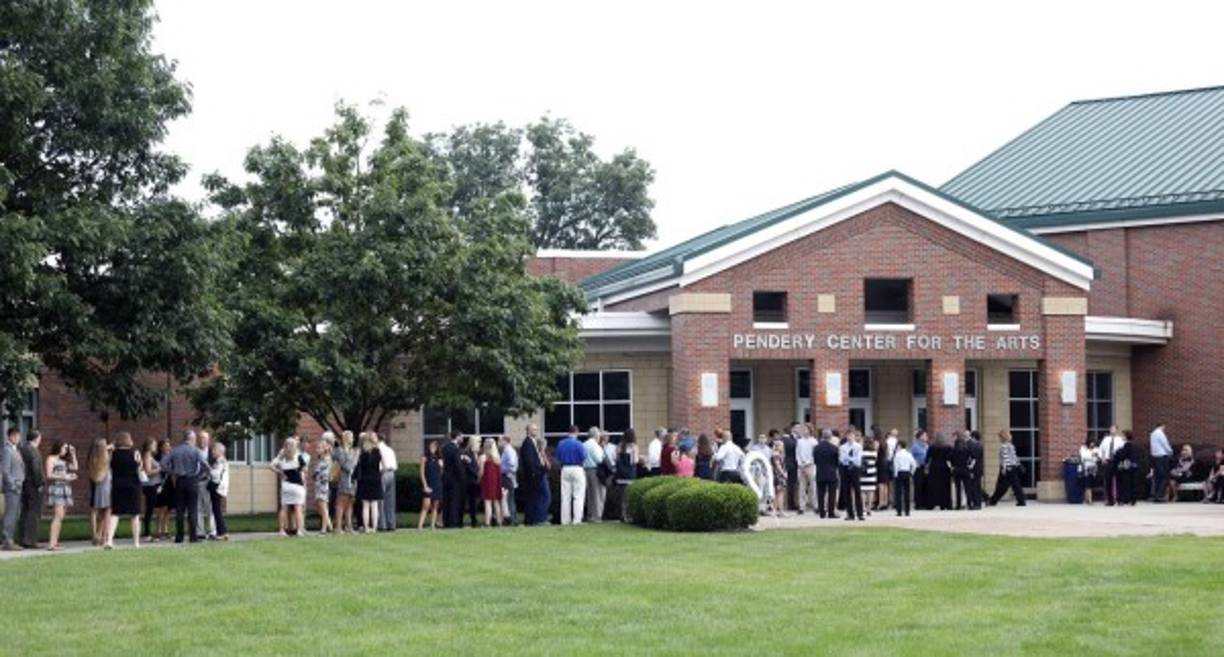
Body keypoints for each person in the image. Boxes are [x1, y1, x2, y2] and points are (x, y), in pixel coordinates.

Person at [160, 431, 207, 543]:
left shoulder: (175, 450)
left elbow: (162, 463)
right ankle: (193, 536)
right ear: (191, 439)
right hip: (192, 481)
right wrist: (200, 474)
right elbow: (204, 464)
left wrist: (172, 472)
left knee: (179, 510)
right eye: (195, 439)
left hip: (179, 481)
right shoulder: (196, 450)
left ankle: (179, 537)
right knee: (192, 509)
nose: (196, 441)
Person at [106, 432, 143, 549]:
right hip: (133, 485)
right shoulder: (135, 453)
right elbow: (140, 468)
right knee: (135, 515)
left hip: (118, 486)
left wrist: (109, 449)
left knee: (115, 513)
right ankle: (136, 542)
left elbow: (108, 467)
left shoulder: (113, 454)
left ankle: (109, 540)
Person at [43, 441, 78, 551]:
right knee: (58, 516)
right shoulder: (51, 459)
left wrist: (73, 454)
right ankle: (51, 544)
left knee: (61, 517)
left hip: (65, 489)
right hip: (57, 488)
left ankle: (55, 542)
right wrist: (65, 477)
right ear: (58, 447)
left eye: (66, 448)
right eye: (64, 448)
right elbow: (49, 475)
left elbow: (75, 467)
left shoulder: (63, 460)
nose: (65, 450)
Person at [273, 436, 310, 536]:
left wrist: (281, 472)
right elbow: (305, 468)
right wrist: (300, 470)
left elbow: (271, 466)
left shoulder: (281, 457)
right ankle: (299, 530)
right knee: (298, 508)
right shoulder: (298, 456)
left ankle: (281, 530)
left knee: (284, 508)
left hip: (286, 485)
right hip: (297, 485)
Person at [17, 430, 44, 549]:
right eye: (40, 437)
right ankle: (31, 540)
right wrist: (39, 484)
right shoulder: (34, 451)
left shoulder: (22, 449)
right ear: (37, 438)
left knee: (25, 511)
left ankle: (22, 538)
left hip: (24, 484)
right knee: (34, 512)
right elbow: (36, 468)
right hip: (33, 485)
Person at [519, 425, 549, 526]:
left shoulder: (533, 442)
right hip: (535, 476)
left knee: (535, 498)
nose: (536, 431)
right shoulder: (527, 443)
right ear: (528, 430)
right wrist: (535, 472)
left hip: (537, 474)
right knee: (543, 496)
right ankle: (539, 519)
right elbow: (529, 461)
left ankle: (533, 519)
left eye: (536, 429)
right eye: (533, 429)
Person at [1, 428, 26, 550]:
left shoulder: (16, 450)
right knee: (10, 514)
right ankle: (7, 541)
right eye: (14, 436)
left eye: (18, 436)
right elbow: (5, 471)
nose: (17, 438)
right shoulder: (7, 450)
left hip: (19, 486)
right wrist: (13, 485)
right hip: (13, 488)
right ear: (9, 437)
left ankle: (10, 539)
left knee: (15, 514)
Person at [556, 426, 587, 524]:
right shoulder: (579, 444)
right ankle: (577, 520)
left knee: (565, 496)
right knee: (578, 496)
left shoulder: (561, 444)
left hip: (565, 468)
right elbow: (584, 457)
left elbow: (558, 457)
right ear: (576, 433)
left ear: (568, 432)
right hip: (577, 468)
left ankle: (565, 520)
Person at [988, 430, 1027, 506]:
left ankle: (993, 500)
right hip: (1013, 467)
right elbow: (1015, 457)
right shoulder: (1011, 446)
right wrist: (1018, 465)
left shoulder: (1003, 447)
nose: (999, 439)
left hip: (1006, 468)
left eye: (999, 437)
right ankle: (1021, 500)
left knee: (1000, 486)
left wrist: (1004, 468)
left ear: (1002, 438)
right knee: (1016, 485)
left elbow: (1005, 458)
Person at [355, 432, 384, 533]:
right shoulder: (377, 452)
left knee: (366, 505)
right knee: (375, 505)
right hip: (376, 479)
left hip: (364, 479)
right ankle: (374, 527)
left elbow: (358, 466)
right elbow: (383, 466)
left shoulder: (362, 453)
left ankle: (366, 527)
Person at [87, 436, 112, 546]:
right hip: (105, 486)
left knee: (95, 511)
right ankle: (102, 536)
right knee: (105, 511)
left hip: (94, 485)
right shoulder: (105, 457)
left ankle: (96, 535)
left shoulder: (92, 457)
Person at [333, 431, 358, 534]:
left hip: (352, 479)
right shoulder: (340, 450)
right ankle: (338, 527)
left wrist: (353, 463)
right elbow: (343, 463)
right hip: (343, 479)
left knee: (350, 503)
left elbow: (355, 462)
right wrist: (352, 464)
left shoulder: (352, 451)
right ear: (346, 438)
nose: (352, 439)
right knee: (341, 503)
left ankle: (349, 526)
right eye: (351, 437)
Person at [582, 427, 608, 523]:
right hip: (595, 471)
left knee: (590, 494)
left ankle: (590, 515)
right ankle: (597, 516)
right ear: (596, 435)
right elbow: (599, 459)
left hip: (585, 470)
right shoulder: (595, 446)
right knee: (598, 493)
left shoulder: (584, 444)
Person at [612, 429, 638, 520]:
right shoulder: (634, 447)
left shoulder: (619, 446)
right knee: (629, 496)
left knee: (621, 497)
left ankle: (622, 515)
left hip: (620, 475)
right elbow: (635, 461)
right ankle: (629, 515)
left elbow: (615, 459)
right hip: (630, 474)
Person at [813, 429, 840, 519]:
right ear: (830, 437)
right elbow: (837, 462)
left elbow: (815, 460)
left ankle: (822, 512)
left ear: (822, 436)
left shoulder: (816, 448)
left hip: (820, 472)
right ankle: (831, 512)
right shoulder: (834, 448)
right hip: (832, 472)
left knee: (820, 493)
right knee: (832, 494)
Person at [838, 431, 865, 521]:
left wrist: (849, 458)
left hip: (855, 469)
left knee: (857, 490)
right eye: (848, 436)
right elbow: (842, 459)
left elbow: (858, 460)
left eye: (851, 436)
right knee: (847, 491)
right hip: (845, 469)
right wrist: (850, 459)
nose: (850, 437)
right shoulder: (842, 447)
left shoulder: (858, 446)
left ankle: (860, 513)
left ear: (854, 437)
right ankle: (850, 513)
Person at [140, 439, 163, 541]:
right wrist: (159, 469)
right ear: (149, 446)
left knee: (151, 509)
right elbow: (148, 472)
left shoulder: (150, 456)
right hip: (150, 486)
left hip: (153, 485)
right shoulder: (147, 456)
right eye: (154, 445)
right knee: (149, 510)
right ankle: (147, 534)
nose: (156, 446)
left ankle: (148, 533)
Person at [442, 430, 465, 528]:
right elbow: (457, 465)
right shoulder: (456, 449)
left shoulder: (445, 448)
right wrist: (462, 476)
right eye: (461, 437)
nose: (463, 439)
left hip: (446, 477)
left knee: (446, 500)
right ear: (458, 437)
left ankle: (446, 521)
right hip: (455, 479)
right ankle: (453, 522)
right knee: (454, 501)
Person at [419, 439, 443, 530]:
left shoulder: (439, 459)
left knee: (435, 506)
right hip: (428, 483)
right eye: (432, 446)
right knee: (426, 505)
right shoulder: (424, 458)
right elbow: (422, 473)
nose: (433, 448)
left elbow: (441, 473)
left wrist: (441, 466)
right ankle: (420, 526)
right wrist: (425, 485)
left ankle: (432, 525)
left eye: (435, 447)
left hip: (437, 483)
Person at [480, 437, 504, 527]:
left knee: (487, 502)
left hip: (487, 480)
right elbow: (499, 470)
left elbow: (481, 472)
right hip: (496, 480)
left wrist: (479, 479)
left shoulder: (483, 457)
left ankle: (487, 522)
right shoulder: (497, 457)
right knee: (496, 501)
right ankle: (499, 521)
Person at [195, 431, 215, 540]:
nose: (202, 440)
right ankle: (200, 532)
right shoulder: (194, 452)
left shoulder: (213, 452)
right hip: (197, 483)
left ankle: (212, 531)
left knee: (210, 508)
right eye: (200, 438)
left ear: (208, 440)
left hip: (208, 483)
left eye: (204, 438)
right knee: (198, 508)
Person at [926, 433, 953, 510]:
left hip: (934, 468)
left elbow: (928, 457)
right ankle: (944, 504)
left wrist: (926, 465)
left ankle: (932, 503)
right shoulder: (948, 447)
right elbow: (951, 457)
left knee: (933, 487)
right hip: (944, 468)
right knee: (945, 487)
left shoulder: (932, 447)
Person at [208, 442, 230, 541]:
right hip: (220, 488)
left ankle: (221, 533)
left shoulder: (220, 461)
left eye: (214, 450)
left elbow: (216, 475)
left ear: (220, 451)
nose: (212, 452)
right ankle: (223, 531)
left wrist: (209, 470)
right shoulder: (221, 461)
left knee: (217, 511)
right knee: (218, 511)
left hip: (217, 488)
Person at [1098, 425, 1124, 506]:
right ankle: (1110, 500)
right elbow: (1101, 449)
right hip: (1108, 461)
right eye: (1111, 429)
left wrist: (1121, 461)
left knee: (1119, 481)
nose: (1112, 430)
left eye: (1114, 429)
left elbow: (1122, 451)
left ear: (1117, 430)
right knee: (1108, 481)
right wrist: (1102, 458)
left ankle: (1120, 499)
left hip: (1117, 461)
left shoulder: (1120, 440)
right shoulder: (1106, 439)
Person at [376, 433, 398, 531]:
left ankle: (382, 524)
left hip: (382, 473)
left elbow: (379, 464)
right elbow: (395, 464)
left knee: (381, 499)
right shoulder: (390, 449)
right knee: (390, 500)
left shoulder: (378, 449)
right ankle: (391, 523)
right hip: (391, 473)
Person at [312, 438, 333, 534]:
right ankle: (329, 525)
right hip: (319, 484)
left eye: (319, 448)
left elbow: (324, 473)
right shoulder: (321, 459)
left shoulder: (326, 459)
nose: (317, 450)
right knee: (322, 507)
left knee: (323, 507)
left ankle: (324, 528)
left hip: (323, 485)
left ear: (324, 449)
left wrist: (315, 474)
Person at [1148, 423, 1173, 502]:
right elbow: (1165, 444)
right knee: (1164, 476)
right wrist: (1170, 451)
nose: (1164, 429)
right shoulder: (1160, 433)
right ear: (1162, 426)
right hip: (1162, 456)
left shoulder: (1152, 434)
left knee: (1157, 477)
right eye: (1164, 427)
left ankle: (1156, 495)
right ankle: (1160, 495)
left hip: (1154, 457)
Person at [1113, 431, 1139, 506]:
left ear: (1126, 437)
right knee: (1133, 483)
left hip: (1126, 467)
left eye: (1123, 436)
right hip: (1133, 467)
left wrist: (1117, 452)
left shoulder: (1126, 447)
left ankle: (1125, 499)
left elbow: (1121, 456)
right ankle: (1133, 499)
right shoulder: (1135, 447)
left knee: (1125, 484)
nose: (1122, 437)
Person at [795, 426, 817, 514]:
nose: (804, 431)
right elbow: (797, 453)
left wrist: (808, 462)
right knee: (802, 487)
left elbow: (814, 454)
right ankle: (801, 506)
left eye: (806, 429)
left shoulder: (814, 441)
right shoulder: (799, 441)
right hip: (801, 466)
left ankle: (815, 505)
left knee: (813, 486)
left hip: (811, 465)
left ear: (810, 430)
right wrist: (800, 463)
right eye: (803, 429)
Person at [892, 440, 916, 516]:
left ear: (899, 446)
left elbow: (896, 465)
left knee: (898, 493)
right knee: (907, 492)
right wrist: (911, 472)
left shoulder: (897, 454)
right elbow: (914, 464)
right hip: (907, 472)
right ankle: (907, 511)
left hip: (900, 473)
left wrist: (895, 475)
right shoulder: (909, 454)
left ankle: (899, 511)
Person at [462, 435, 482, 528]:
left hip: (476, 482)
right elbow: (470, 468)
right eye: (478, 442)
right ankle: (473, 520)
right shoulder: (467, 454)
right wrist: (478, 475)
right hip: (470, 482)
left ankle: (474, 518)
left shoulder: (477, 454)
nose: (480, 444)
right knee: (471, 502)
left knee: (475, 502)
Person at [499, 435, 518, 526]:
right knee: (509, 498)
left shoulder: (508, 451)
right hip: (508, 476)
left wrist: (504, 470)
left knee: (508, 498)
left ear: (505, 441)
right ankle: (512, 518)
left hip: (507, 477)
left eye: (500, 440)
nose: (499, 442)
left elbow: (512, 464)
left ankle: (511, 519)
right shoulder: (507, 450)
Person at [911, 430, 930, 510]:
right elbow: (912, 457)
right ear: (920, 437)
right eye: (925, 436)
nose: (926, 437)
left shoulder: (926, 446)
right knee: (918, 485)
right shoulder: (915, 446)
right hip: (918, 468)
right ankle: (918, 503)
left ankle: (925, 502)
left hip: (926, 467)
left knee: (925, 485)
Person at [782, 423, 799, 513]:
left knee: (792, 485)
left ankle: (791, 503)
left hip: (795, 464)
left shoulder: (794, 439)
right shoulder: (788, 440)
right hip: (791, 464)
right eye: (797, 427)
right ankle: (790, 503)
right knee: (791, 485)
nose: (799, 429)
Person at [1078, 438, 1101, 505]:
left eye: (1093, 443)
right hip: (1086, 468)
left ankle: (1087, 499)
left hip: (1094, 469)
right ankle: (1090, 500)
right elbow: (1084, 457)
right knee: (1088, 485)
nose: (1092, 444)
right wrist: (1092, 456)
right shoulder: (1083, 448)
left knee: (1090, 484)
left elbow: (1098, 458)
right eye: (1091, 442)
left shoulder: (1096, 449)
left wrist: (1092, 456)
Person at [876, 428, 893, 512]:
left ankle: (880, 502)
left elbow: (875, 454)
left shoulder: (877, 442)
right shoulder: (885, 442)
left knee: (881, 484)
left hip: (880, 464)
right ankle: (885, 501)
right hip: (885, 463)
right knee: (885, 484)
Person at [967, 430, 985, 510]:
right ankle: (978, 503)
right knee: (977, 486)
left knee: (974, 486)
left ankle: (976, 503)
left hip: (975, 469)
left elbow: (974, 458)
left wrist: (970, 467)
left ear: (973, 437)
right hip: (979, 468)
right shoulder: (980, 445)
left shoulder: (975, 446)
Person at [770, 441, 788, 516]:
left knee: (777, 494)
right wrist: (784, 474)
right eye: (782, 446)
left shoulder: (775, 454)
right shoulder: (776, 455)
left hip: (775, 475)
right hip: (779, 476)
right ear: (778, 446)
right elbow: (778, 466)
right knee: (781, 493)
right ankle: (781, 511)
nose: (783, 447)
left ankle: (774, 510)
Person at [860, 435, 878, 514]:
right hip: (872, 473)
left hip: (863, 473)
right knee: (870, 491)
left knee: (863, 490)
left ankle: (863, 506)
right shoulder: (874, 453)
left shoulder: (861, 453)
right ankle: (869, 508)